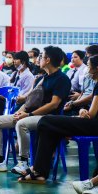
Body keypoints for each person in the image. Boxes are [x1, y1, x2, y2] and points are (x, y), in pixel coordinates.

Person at [0, 46, 71, 176]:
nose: (38, 59)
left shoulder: (62, 79)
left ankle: (24, 162)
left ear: (48, 60)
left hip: (49, 117)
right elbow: (30, 101)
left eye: (41, 56)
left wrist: (28, 114)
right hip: (29, 114)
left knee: (22, 124)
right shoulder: (40, 78)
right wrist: (19, 113)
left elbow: (54, 104)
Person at [18, 55, 98, 185]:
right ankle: (39, 172)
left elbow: (92, 114)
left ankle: (38, 170)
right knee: (48, 127)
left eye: (89, 66)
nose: (87, 69)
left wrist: (82, 111)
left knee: (46, 120)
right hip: (91, 121)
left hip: (93, 125)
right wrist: (82, 111)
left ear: (96, 68)